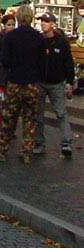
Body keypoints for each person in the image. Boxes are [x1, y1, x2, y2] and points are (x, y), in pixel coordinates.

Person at [0, 4, 45, 164]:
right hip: (32, 84)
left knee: (9, 118)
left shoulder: (11, 37)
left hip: (14, 82)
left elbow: (5, 60)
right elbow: (43, 64)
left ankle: (1, 151)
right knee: (30, 119)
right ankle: (27, 152)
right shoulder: (39, 38)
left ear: (18, 19)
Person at [33, 12, 75, 159]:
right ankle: (38, 143)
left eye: (46, 21)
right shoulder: (38, 40)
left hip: (56, 83)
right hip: (40, 82)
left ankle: (66, 143)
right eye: (41, 21)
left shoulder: (61, 42)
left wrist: (69, 82)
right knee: (38, 115)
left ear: (53, 24)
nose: (42, 24)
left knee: (61, 113)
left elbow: (68, 63)